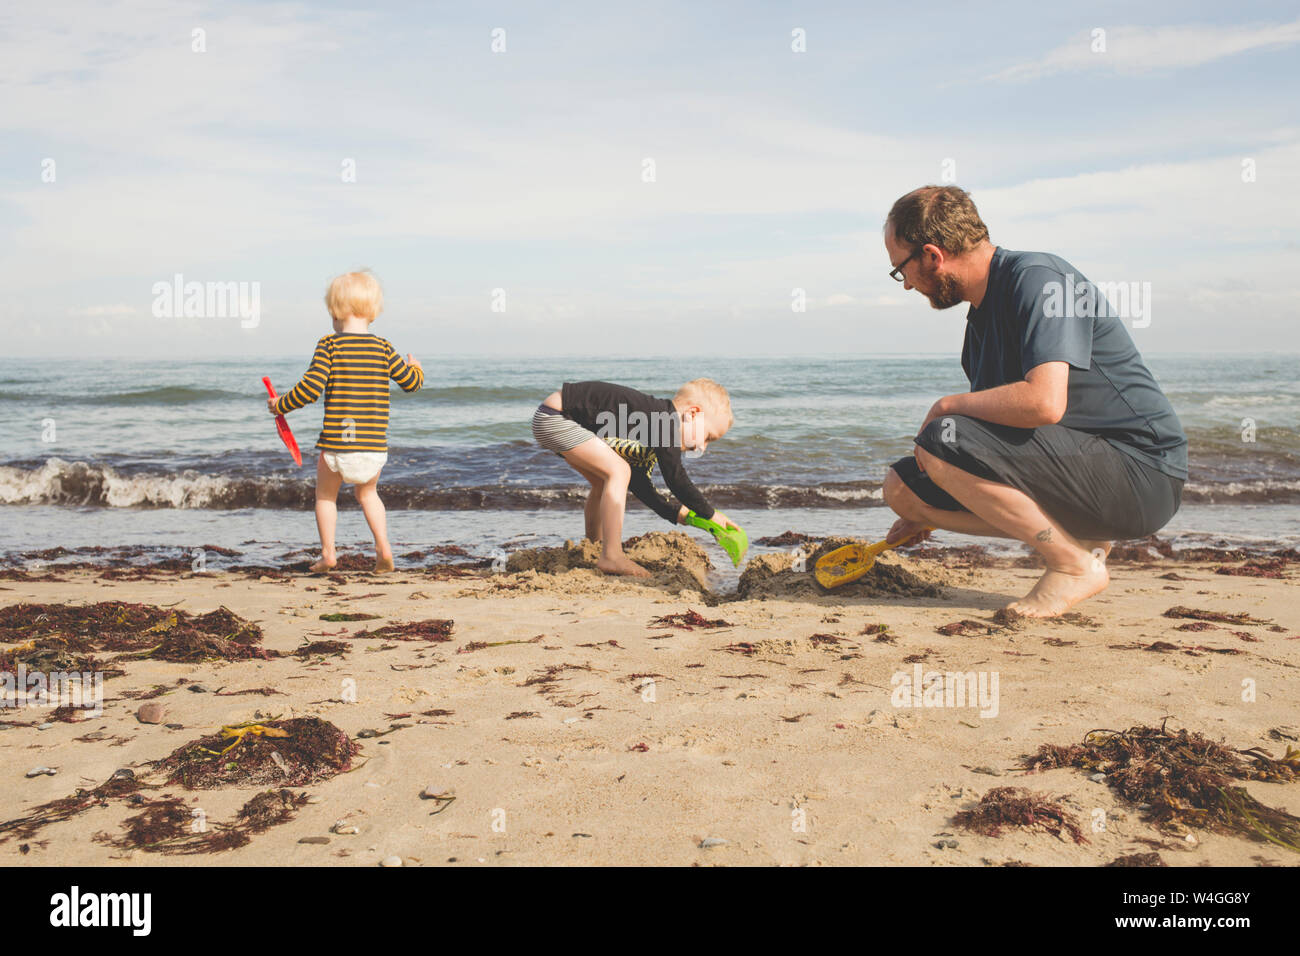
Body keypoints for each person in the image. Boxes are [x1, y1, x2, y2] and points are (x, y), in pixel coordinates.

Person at [880, 185, 1186, 617]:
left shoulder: (1041, 279)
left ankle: (1072, 564)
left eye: (901, 270)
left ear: (932, 254)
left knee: (942, 437)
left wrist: (945, 407)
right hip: (1080, 472)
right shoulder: (978, 332)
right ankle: (1079, 541)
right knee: (902, 488)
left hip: (1144, 473)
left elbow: (1044, 404)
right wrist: (928, 508)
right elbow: (988, 449)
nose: (907, 285)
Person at [268, 270, 423, 573]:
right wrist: (415, 368)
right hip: (373, 446)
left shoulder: (330, 346)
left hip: (337, 447)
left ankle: (328, 554)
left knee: (325, 496)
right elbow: (411, 383)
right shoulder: (384, 348)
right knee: (368, 494)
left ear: (336, 311)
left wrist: (280, 406)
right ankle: (384, 549)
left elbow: (310, 390)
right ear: (372, 312)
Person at [531, 379, 737, 576]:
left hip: (555, 418)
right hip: (556, 418)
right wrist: (710, 514)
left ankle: (595, 546)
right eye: (708, 436)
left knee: (604, 481)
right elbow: (676, 479)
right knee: (619, 471)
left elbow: (640, 485)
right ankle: (611, 555)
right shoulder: (665, 421)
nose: (703, 447)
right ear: (692, 414)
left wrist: (677, 513)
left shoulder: (652, 429)